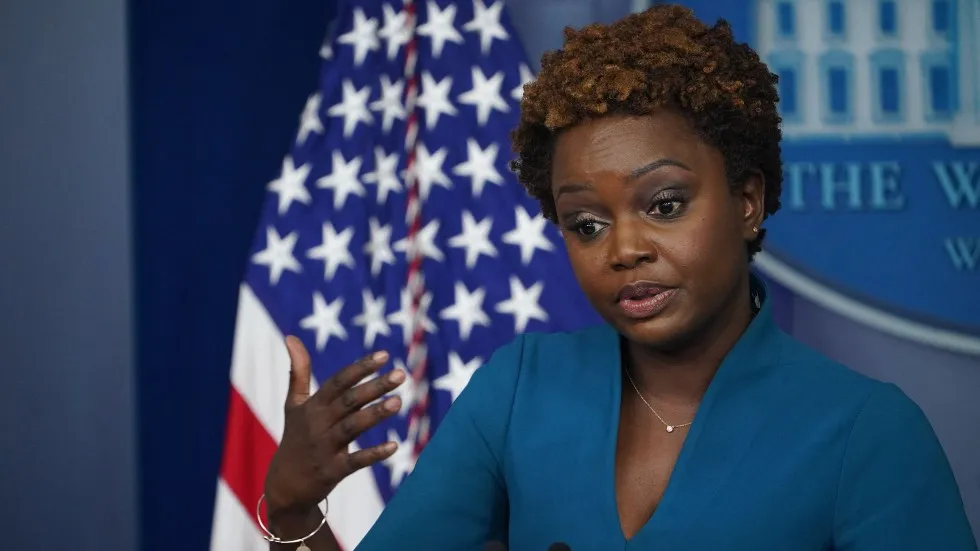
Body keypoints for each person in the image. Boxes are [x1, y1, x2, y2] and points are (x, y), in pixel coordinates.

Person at [260, 5, 978, 550]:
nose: (624, 249)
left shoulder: (867, 431)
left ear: (748, 201)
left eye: (664, 205)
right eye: (586, 224)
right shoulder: (520, 388)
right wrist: (292, 512)